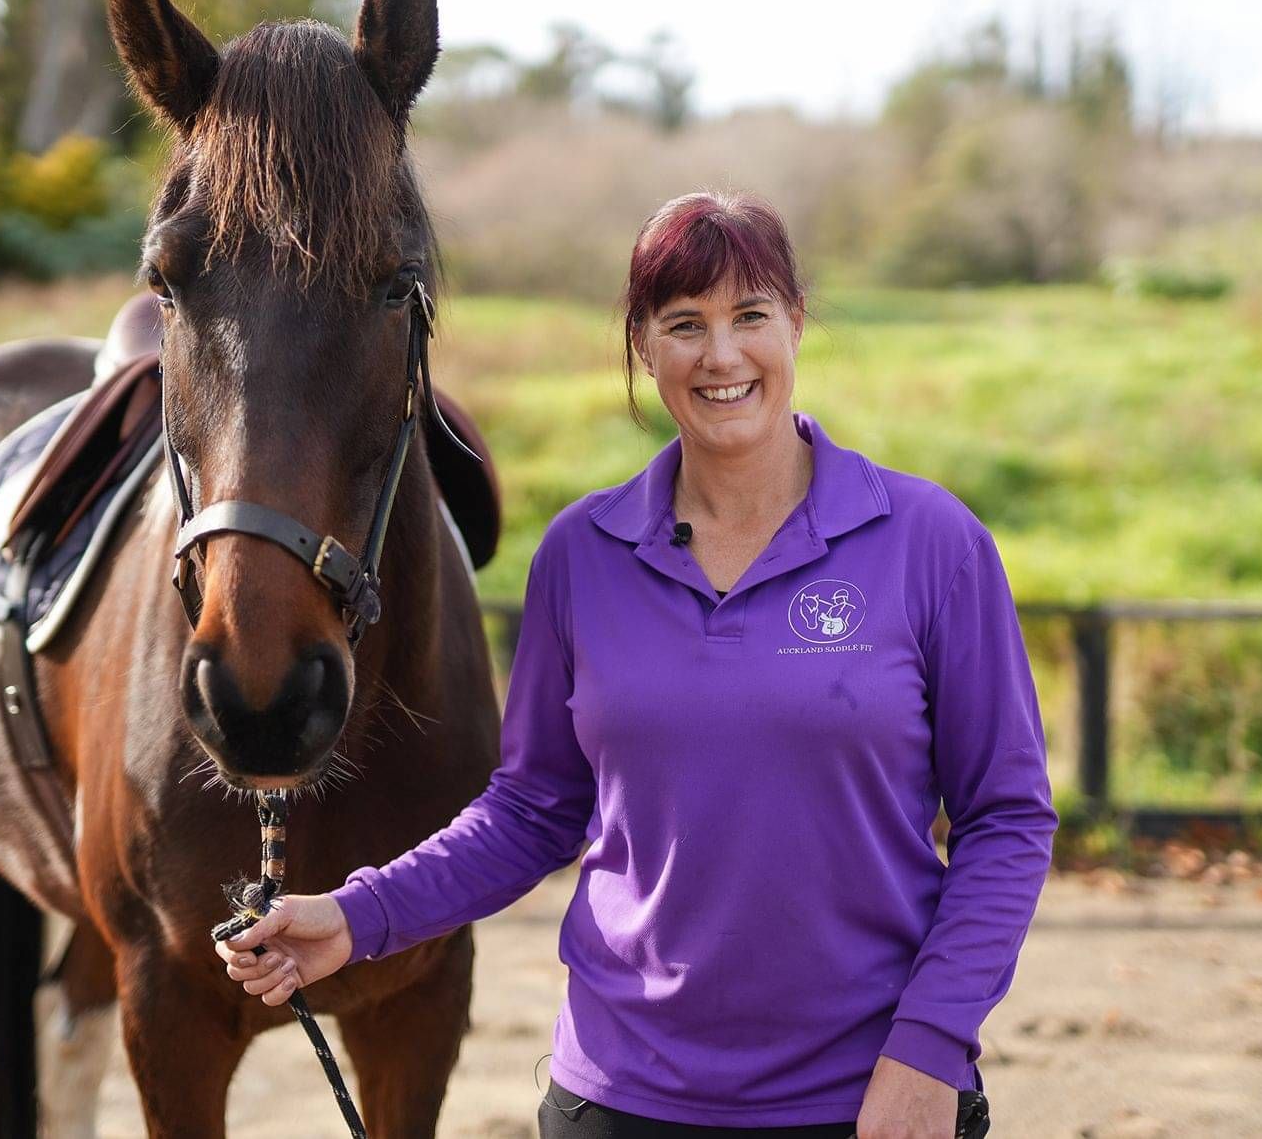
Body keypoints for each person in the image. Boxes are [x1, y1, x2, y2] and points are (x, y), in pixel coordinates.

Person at [216, 192, 1057, 1138]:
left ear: (796, 326)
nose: (722, 354)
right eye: (684, 324)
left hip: (869, 1102)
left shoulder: (930, 542)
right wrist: (355, 915)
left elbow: (1007, 818)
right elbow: (533, 809)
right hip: (617, 1100)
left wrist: (930, 1048)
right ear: (643, 344)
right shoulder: (582, 553)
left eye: (751, 316)